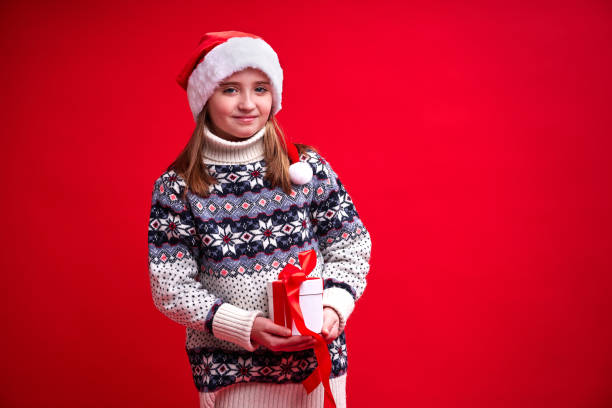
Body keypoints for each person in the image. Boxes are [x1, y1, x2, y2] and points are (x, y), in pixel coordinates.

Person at [147, 31, 372, 408]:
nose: (248, 104)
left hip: (316, 373)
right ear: (205, 98)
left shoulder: (305, 169)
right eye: (230, 90)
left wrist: (334, 306)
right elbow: (170, 286)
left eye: (261, 89)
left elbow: (351, 246)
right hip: (233, 376)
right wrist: (244, 325)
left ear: (275, 96)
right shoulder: (178, 188)